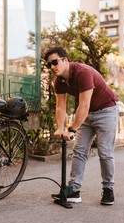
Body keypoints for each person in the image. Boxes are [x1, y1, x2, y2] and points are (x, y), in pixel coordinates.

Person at [44, 47, 119, 205]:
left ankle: (108, 190)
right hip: (86, 114)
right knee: (79, 151)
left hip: (106, 110)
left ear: (65, 60)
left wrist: (71, 129)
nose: (52, 67)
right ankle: (74, 190)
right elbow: (60, 106)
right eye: (49, 65)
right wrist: (60, 127)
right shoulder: (59, 81)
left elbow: (83, 105)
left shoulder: (83, 73)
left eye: (55, 62)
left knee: (104, 153)